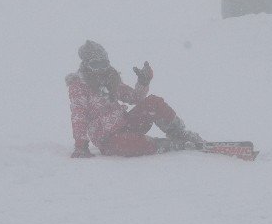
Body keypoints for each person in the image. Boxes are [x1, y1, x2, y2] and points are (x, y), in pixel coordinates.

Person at [66, 40, 204, 158]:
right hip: (107, 138)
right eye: (95, 65)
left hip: (126, 124)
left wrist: (143, 82)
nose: (101, 69)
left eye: (104, 64)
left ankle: (179, 133)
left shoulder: (110, 78)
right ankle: (165, 145)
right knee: (131, 144)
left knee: (153, 102)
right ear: (86, 65)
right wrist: (81, 145)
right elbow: (79, 116)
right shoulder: (79, 86)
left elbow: (134, 98)